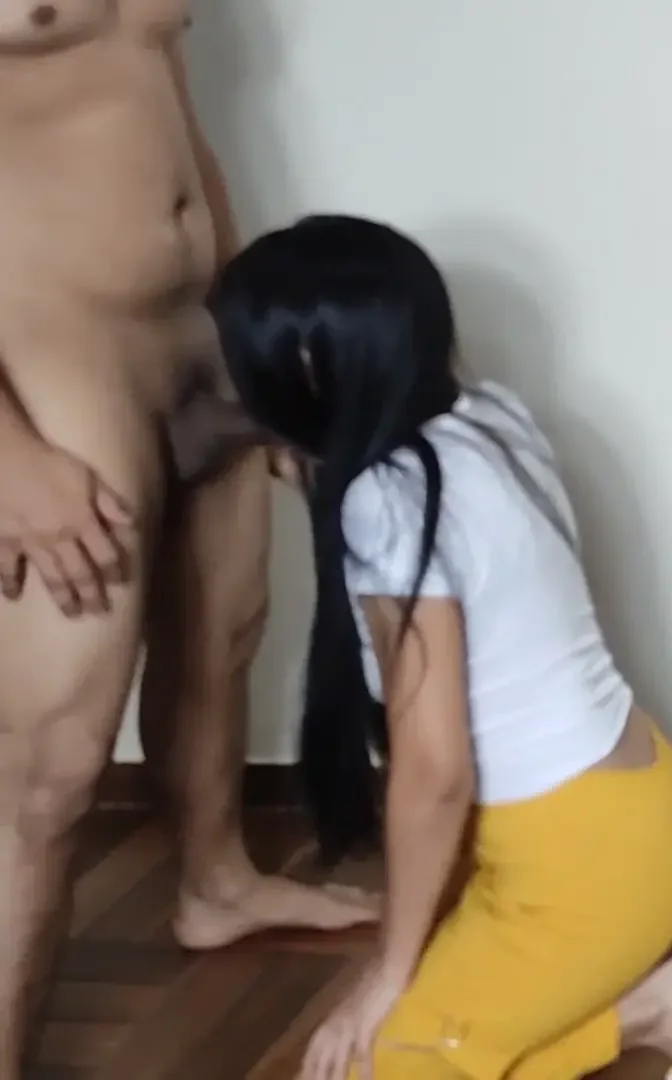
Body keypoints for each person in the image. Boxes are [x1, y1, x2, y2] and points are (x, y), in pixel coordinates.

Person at [205, 213, 672, 1080]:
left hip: (580, 869)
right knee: (437, 1025)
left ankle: (657, 1008)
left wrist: (385, 975)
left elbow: (436, 774)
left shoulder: (387, 503)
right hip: (646, 811)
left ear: (304, 376)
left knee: (383, 1068)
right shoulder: (484, 418)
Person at [0, 4, 378, 1074]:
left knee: (224, 630)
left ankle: (217, 883)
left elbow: (164, 93)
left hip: (199, 330)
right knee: (52, 765)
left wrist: (251, 326)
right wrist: (7, 453)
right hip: (52, 350)